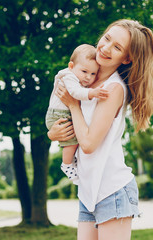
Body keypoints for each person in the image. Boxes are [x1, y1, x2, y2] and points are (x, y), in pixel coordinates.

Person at [47, 19, 153, 240]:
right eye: (107, 38)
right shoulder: (85, 79)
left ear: (126, 58)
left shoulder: (113, 89)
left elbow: (88, 144)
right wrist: (53, 134)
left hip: (112, 191)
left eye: (117, 47)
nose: (105, 47)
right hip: (89, 192)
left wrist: (73, 104)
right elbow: (66, 120)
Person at [45, 44, 109, 180]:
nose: (88, 77)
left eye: (93, 74)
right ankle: (66, 164)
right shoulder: (69, 76)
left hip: (62, 114)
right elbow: (75, 92)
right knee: (73, 141)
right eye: (84, 71)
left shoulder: (76, 77)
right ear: (71, 66)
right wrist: (92, 93)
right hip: (59, 115)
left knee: (74, 140)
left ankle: (70, 161)